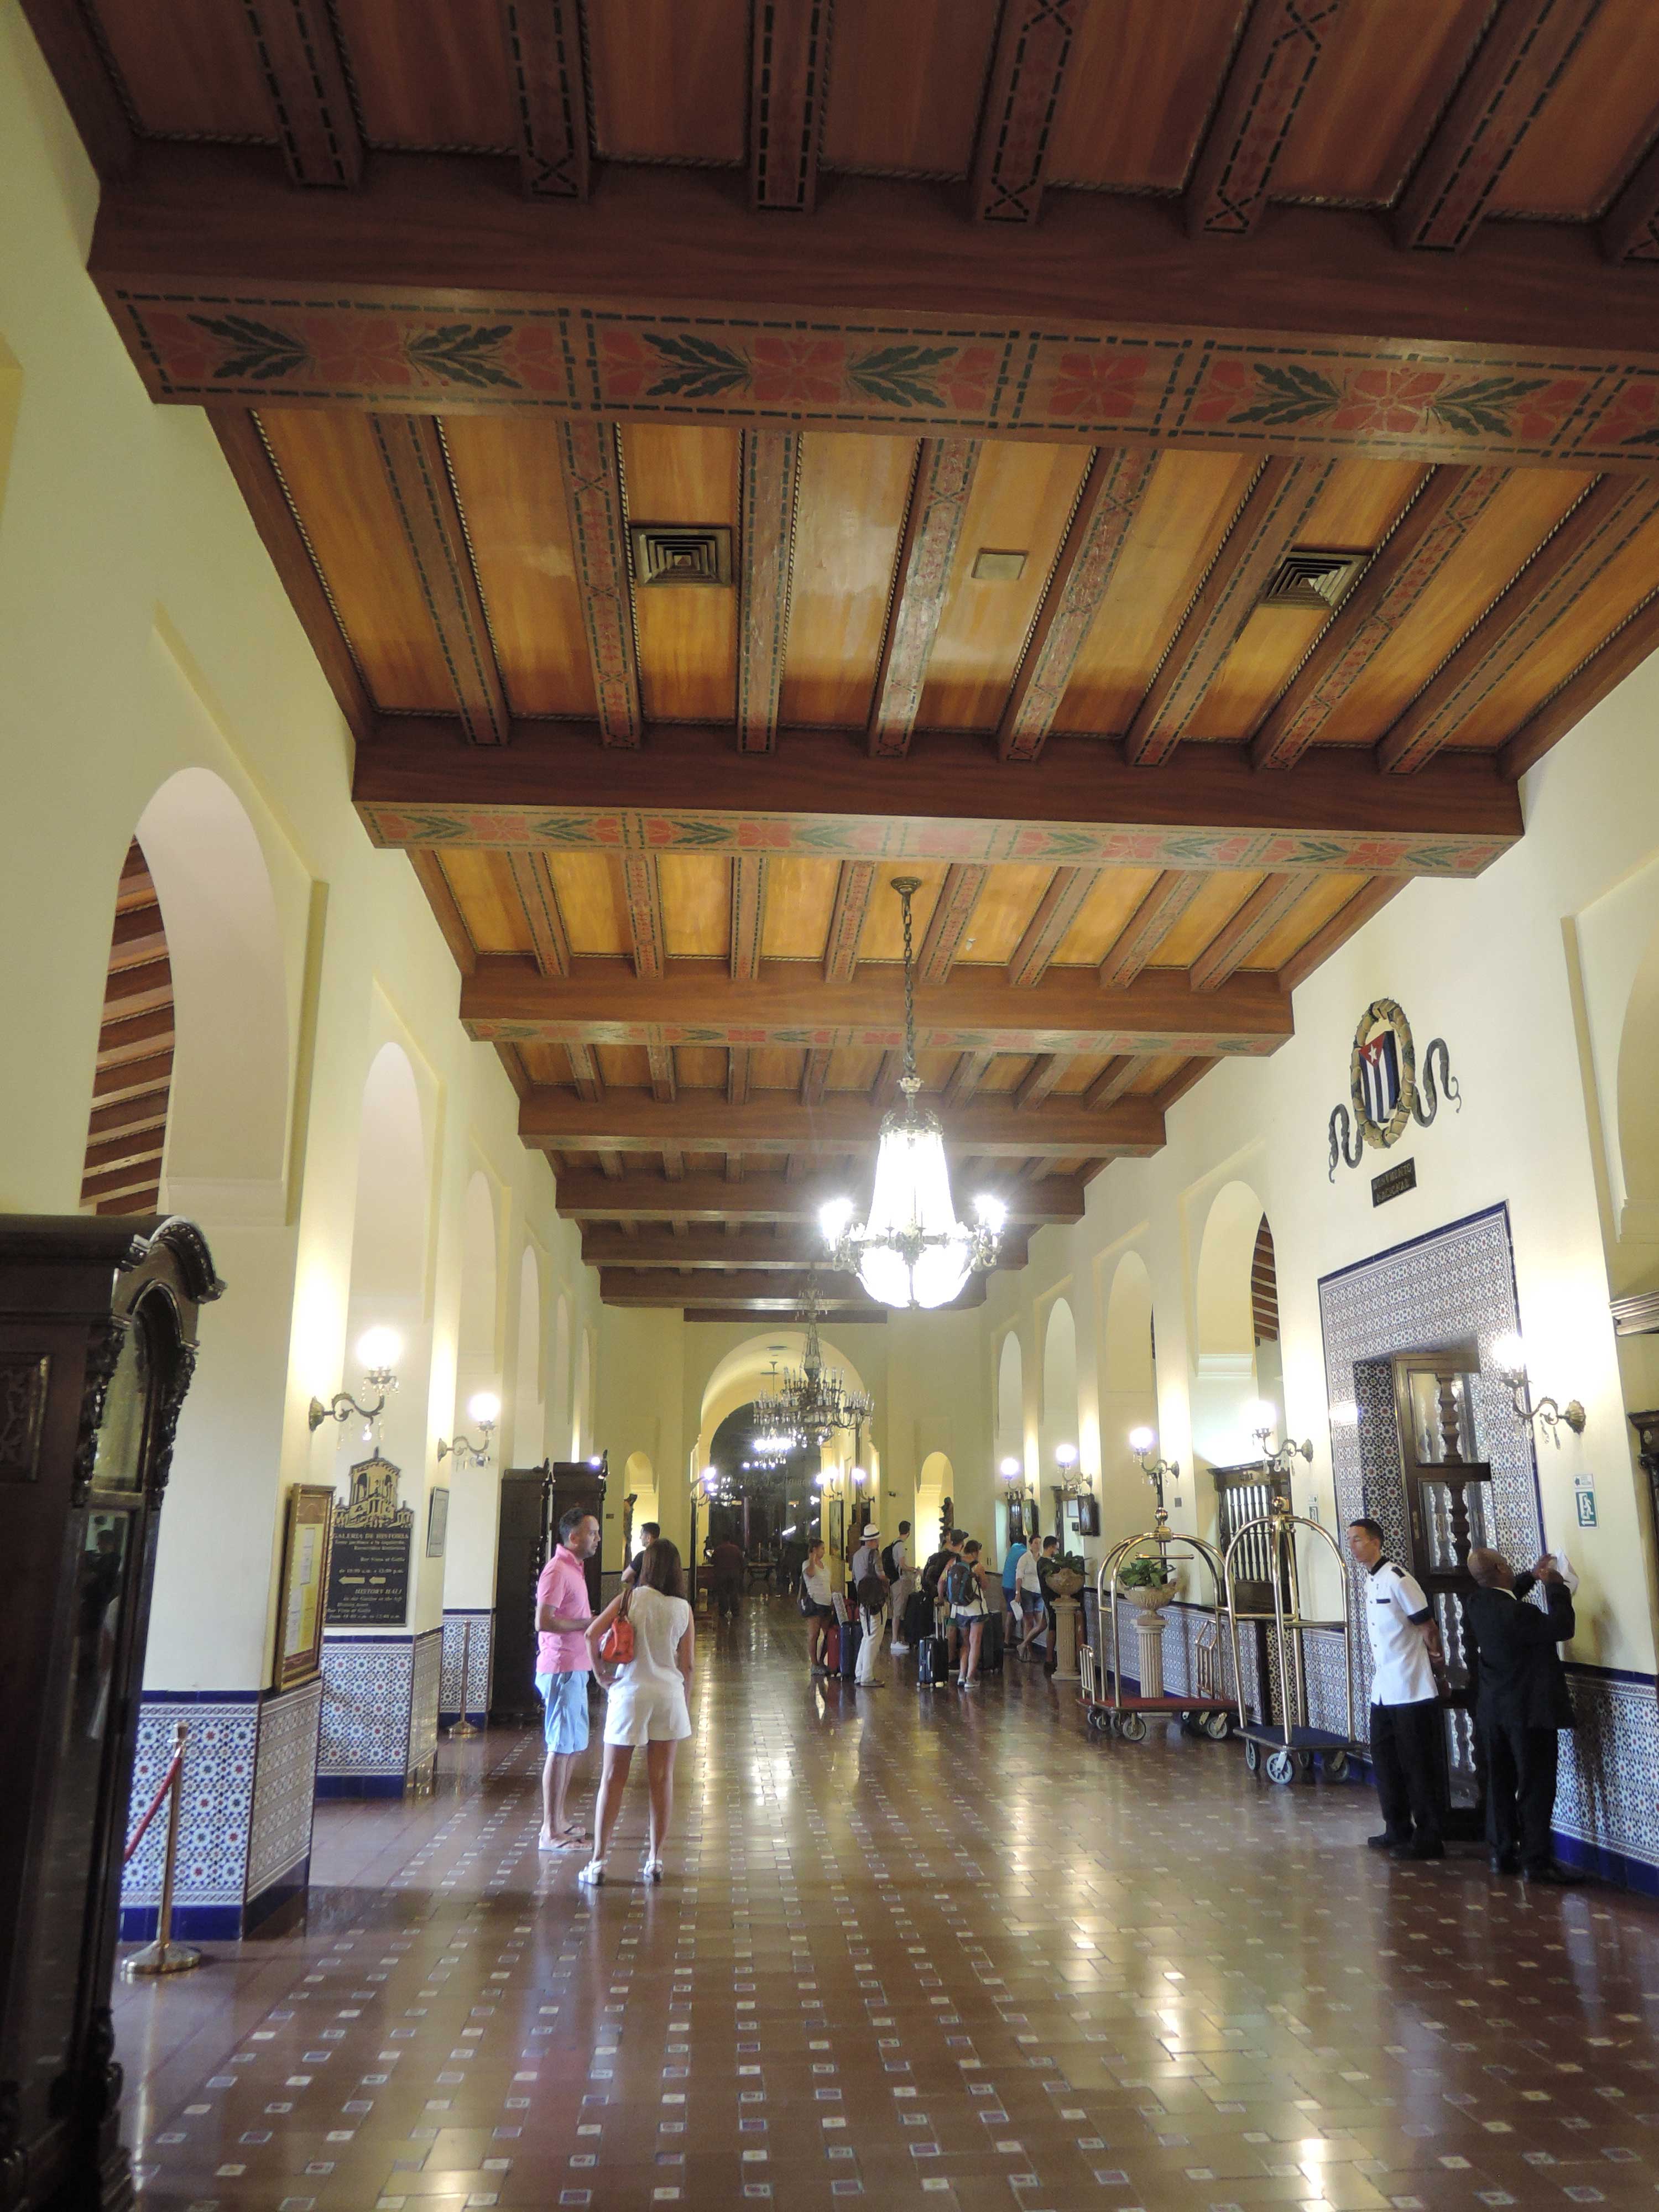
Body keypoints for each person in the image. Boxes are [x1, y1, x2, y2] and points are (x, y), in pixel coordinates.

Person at [580, 1539, 695, 1885]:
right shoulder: (682, 1608)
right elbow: (688, 1665)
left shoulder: (629, 1599)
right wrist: (683, 1703)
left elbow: (590, 1634)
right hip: (668, 1696)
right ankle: (656, 1859)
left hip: (629, 1693)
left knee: (613, 1778)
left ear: (646, 1567)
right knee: (661, 1779)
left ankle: (599, 1862)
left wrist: (600, 1675)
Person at [1466, 1547, 1579, 1883]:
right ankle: (1536, 1862)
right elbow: (1562, 1627)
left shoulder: (1477, 1605)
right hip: (1529, 1713)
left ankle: (1502, 1854)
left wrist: (1531, 1576)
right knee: (1535, 1785)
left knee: (1499, 1783)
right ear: (1502, 1567)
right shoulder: (1521, 1614)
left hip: (1493, 1713)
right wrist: (1555, 1586)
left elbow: (1504, 1596)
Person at [1347, 1516, 1446, 1861]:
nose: (1353, 1546)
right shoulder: (1370, 1582)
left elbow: (1427, 1626)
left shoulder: (1398, 1580)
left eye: (1358, 1539)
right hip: (1383, 1689)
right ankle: (1397, 1827)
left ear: (1375, 1541)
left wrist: (1436, 1659)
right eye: (1350, 1540)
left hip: (1411, 1687)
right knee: (1386, 1760)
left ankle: (1429, 1836)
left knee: (1417, 1765)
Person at [534, 1506, 600, 1853]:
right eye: (592, 1533)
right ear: (573, 1537)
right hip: (560, 1668)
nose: (597, 1539)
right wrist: (588, 1623)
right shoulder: (556, 1570)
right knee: (559, 1748)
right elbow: (543, 1621)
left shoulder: (575, 1569)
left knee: (572, 1747)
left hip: (576, 1666)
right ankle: (549, 1831)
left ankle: (559, 1820)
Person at [943, 1539, 998, 1688]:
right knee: (976, 1643)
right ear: (975, 1552)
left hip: (960, 1609)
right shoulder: (978, 1566)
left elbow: (943, 1580)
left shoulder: (954, 1562)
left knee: (965, 1643)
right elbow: (985, 1586)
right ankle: (970, 1678)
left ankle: (961, 1676)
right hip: (975, 1608)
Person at [849, 1521, 889, 1687]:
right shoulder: (875, 1554)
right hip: (876, 1601)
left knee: (867, 1636)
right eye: (877, 1539)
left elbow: (855, 1577)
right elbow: (880, 1575)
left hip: (863, 1600)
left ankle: (860, 1672)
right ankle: (867, 1676)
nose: (878, 1542)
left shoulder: (857, 1555)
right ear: (872, 1541)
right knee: (874, 1637)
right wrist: (888, 1580)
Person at [801, 1538, 833, 1672]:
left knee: (829, 1634)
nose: (824, 1551)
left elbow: (828, 1582)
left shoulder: (824, 1565)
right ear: (815, 1550)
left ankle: (821, 1661)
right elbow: (811, 1574)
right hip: (815, 1603)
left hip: (826, 1603)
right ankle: (814, 1664)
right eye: (822, 1549)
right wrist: (812, 1560)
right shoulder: (807, 1564)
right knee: (814, 1634)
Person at [883, 1521, 914, 1653]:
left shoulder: (894, 1543)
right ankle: (895, 1640)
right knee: (898, 1610)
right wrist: (912, 1569)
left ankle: (897, 1639)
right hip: (899, 1581)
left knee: (898, 1609)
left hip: (894, 1580)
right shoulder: (900, 1546)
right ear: (908, 1532)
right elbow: (902, 1565)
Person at [1034, 1534, 1063, 1670]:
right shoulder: (1045, 1563)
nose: (1056, 1552)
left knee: (1049, 1626)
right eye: (1056, 1549)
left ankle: (1050, 1658)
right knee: (1052, 1628)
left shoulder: (1043, 1562)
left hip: (1050, 1599)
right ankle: (1049, 1658)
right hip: (1050, 1599)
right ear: (1051, 1547)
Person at [1014, 1536, 1047, 1659]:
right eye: (1035, 1543)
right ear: (1030, 1544)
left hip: (1039, 1593)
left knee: (1040, 1624)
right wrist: (1018, 1592)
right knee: (1028, 1622)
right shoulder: (1025, 1558)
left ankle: (1023, 1645)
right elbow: (1019, 1576)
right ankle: (1028, 1651)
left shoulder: (1042, 1559)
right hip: (1027, 1591)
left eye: (1040, 1543)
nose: (1038, 1545)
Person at [708, 1532, 745, 1621]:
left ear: (722, 1539)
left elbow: (712, 1561)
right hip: (734, 1575)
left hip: (721, 1575)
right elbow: (742, 1562)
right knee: (734, 1593)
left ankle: (723, 1611)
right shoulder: (736, 1549)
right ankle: (735, 1611)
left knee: (722, 1593)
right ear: (730, 1540)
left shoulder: (718, 1549)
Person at [1001, 1530, 1027, 1646]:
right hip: (1013, 1586)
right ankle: (1007, 1641)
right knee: (1012, 1614)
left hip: (1005, 1585)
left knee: (1011, 1612)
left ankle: (1009, 1639)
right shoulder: (1024, 1552)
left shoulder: (1013, 1549)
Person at [622, 1521, 660, 1586]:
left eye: (642, 1534)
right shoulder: (667, 1555)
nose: (640, 1537)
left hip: (643, 1593)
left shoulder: (643, 1556)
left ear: (649, 1538)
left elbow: (625, 1577)